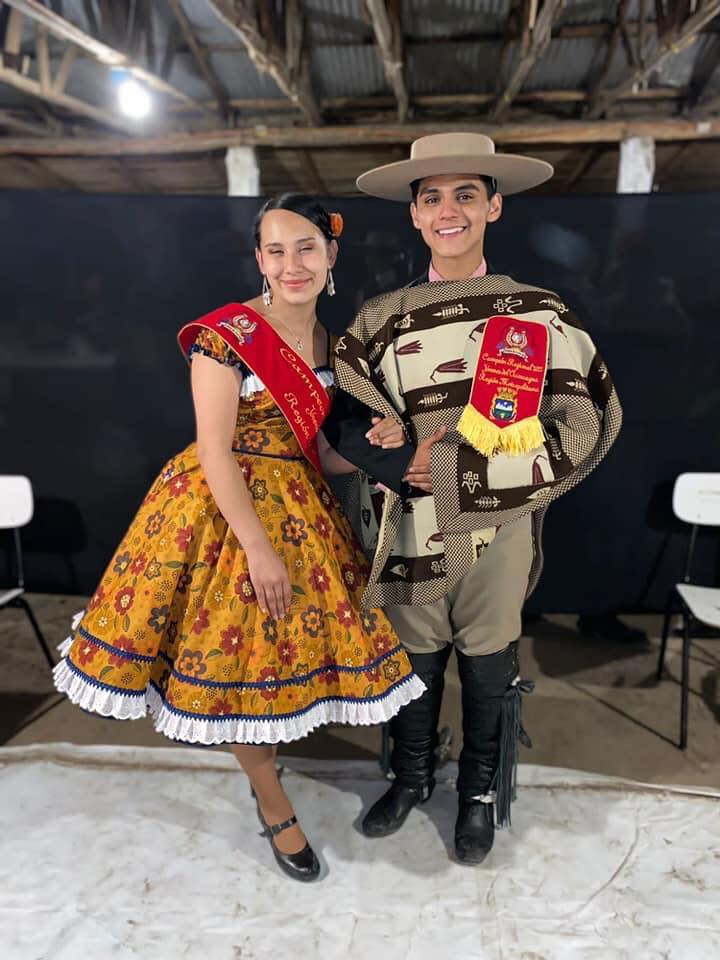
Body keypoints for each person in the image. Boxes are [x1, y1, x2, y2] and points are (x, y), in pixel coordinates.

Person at [53, 194, 425, 882]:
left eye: (306, 248)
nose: (292, 264)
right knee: (237, 660)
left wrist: (379, 455)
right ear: (259, 260)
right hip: (221, 512)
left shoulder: (330, 347)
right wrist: (256, 546)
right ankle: (274, 802)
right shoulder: (226, 336)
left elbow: (321, 450)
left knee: (273, 660)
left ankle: (270, 782)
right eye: (276, 251)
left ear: (330, 257)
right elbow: (214, 449)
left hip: (300, 500)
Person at [322, 133, 623, 864]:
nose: (447, 210)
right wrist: (399, 462)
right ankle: (414, 775)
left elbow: (585, 421)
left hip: (497, 524)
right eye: (431, 198)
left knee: (489, 661)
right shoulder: (380, 319)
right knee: (416, 660)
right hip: (407, 525)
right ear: (416, 216)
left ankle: (480, 791)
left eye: (465, 194)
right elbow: (345, 417)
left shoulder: (536, 313)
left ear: (493, 205)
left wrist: (465, 468)